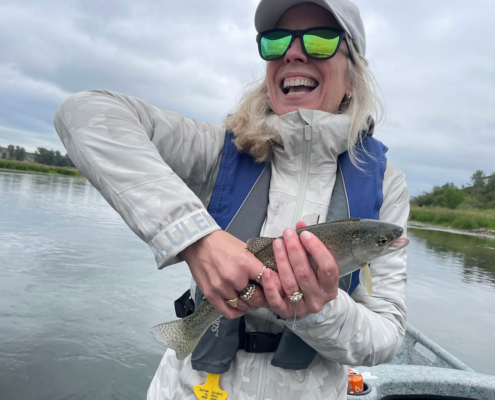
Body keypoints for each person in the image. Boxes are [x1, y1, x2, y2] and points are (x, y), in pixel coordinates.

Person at [54, 0, 409, 398]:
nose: (293, 51)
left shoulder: (386, 185)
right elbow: (85, 111)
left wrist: (319, 309)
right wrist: (197, 239)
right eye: (275, 42)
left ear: (351, 78)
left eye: (320, 39)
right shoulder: (220, 152)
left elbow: (386, 336)